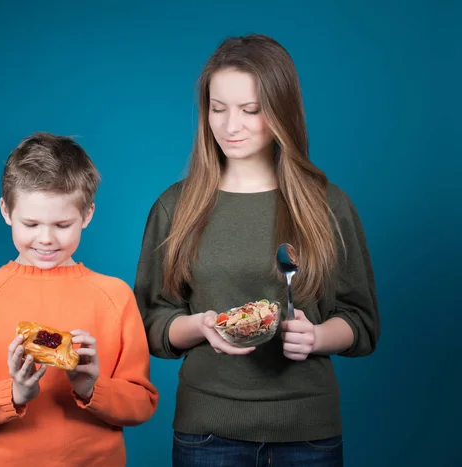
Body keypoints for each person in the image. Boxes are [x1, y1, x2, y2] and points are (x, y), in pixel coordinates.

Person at [134, 34, 379, 467]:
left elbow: (361, 321)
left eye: (251, 110)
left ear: (281, 112)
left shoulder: (328, 205)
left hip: (308, 434)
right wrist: (202, 326)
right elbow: (152, 323)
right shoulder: (175, 207)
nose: (231, 126)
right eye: (218, 108)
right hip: (206, 434)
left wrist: (318, 337)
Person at [0, 132, 158, 467]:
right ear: (6, 211)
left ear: (87, 215)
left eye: (62, 224)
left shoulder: (115, 295)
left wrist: (91, 387)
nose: (46, 239)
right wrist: (13, 393)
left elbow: (142, 403)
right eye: (31, 223)